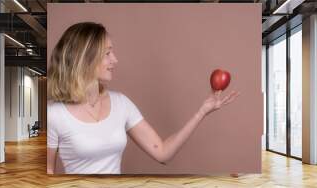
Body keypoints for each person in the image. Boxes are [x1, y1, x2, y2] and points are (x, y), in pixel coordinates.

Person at [47, 22, 240, 174]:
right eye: (107, 53)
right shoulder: (54, 114)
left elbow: (162, 152)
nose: (115, 59)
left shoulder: (121, 103)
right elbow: (48, 172)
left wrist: (202, 112)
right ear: (85, 58)